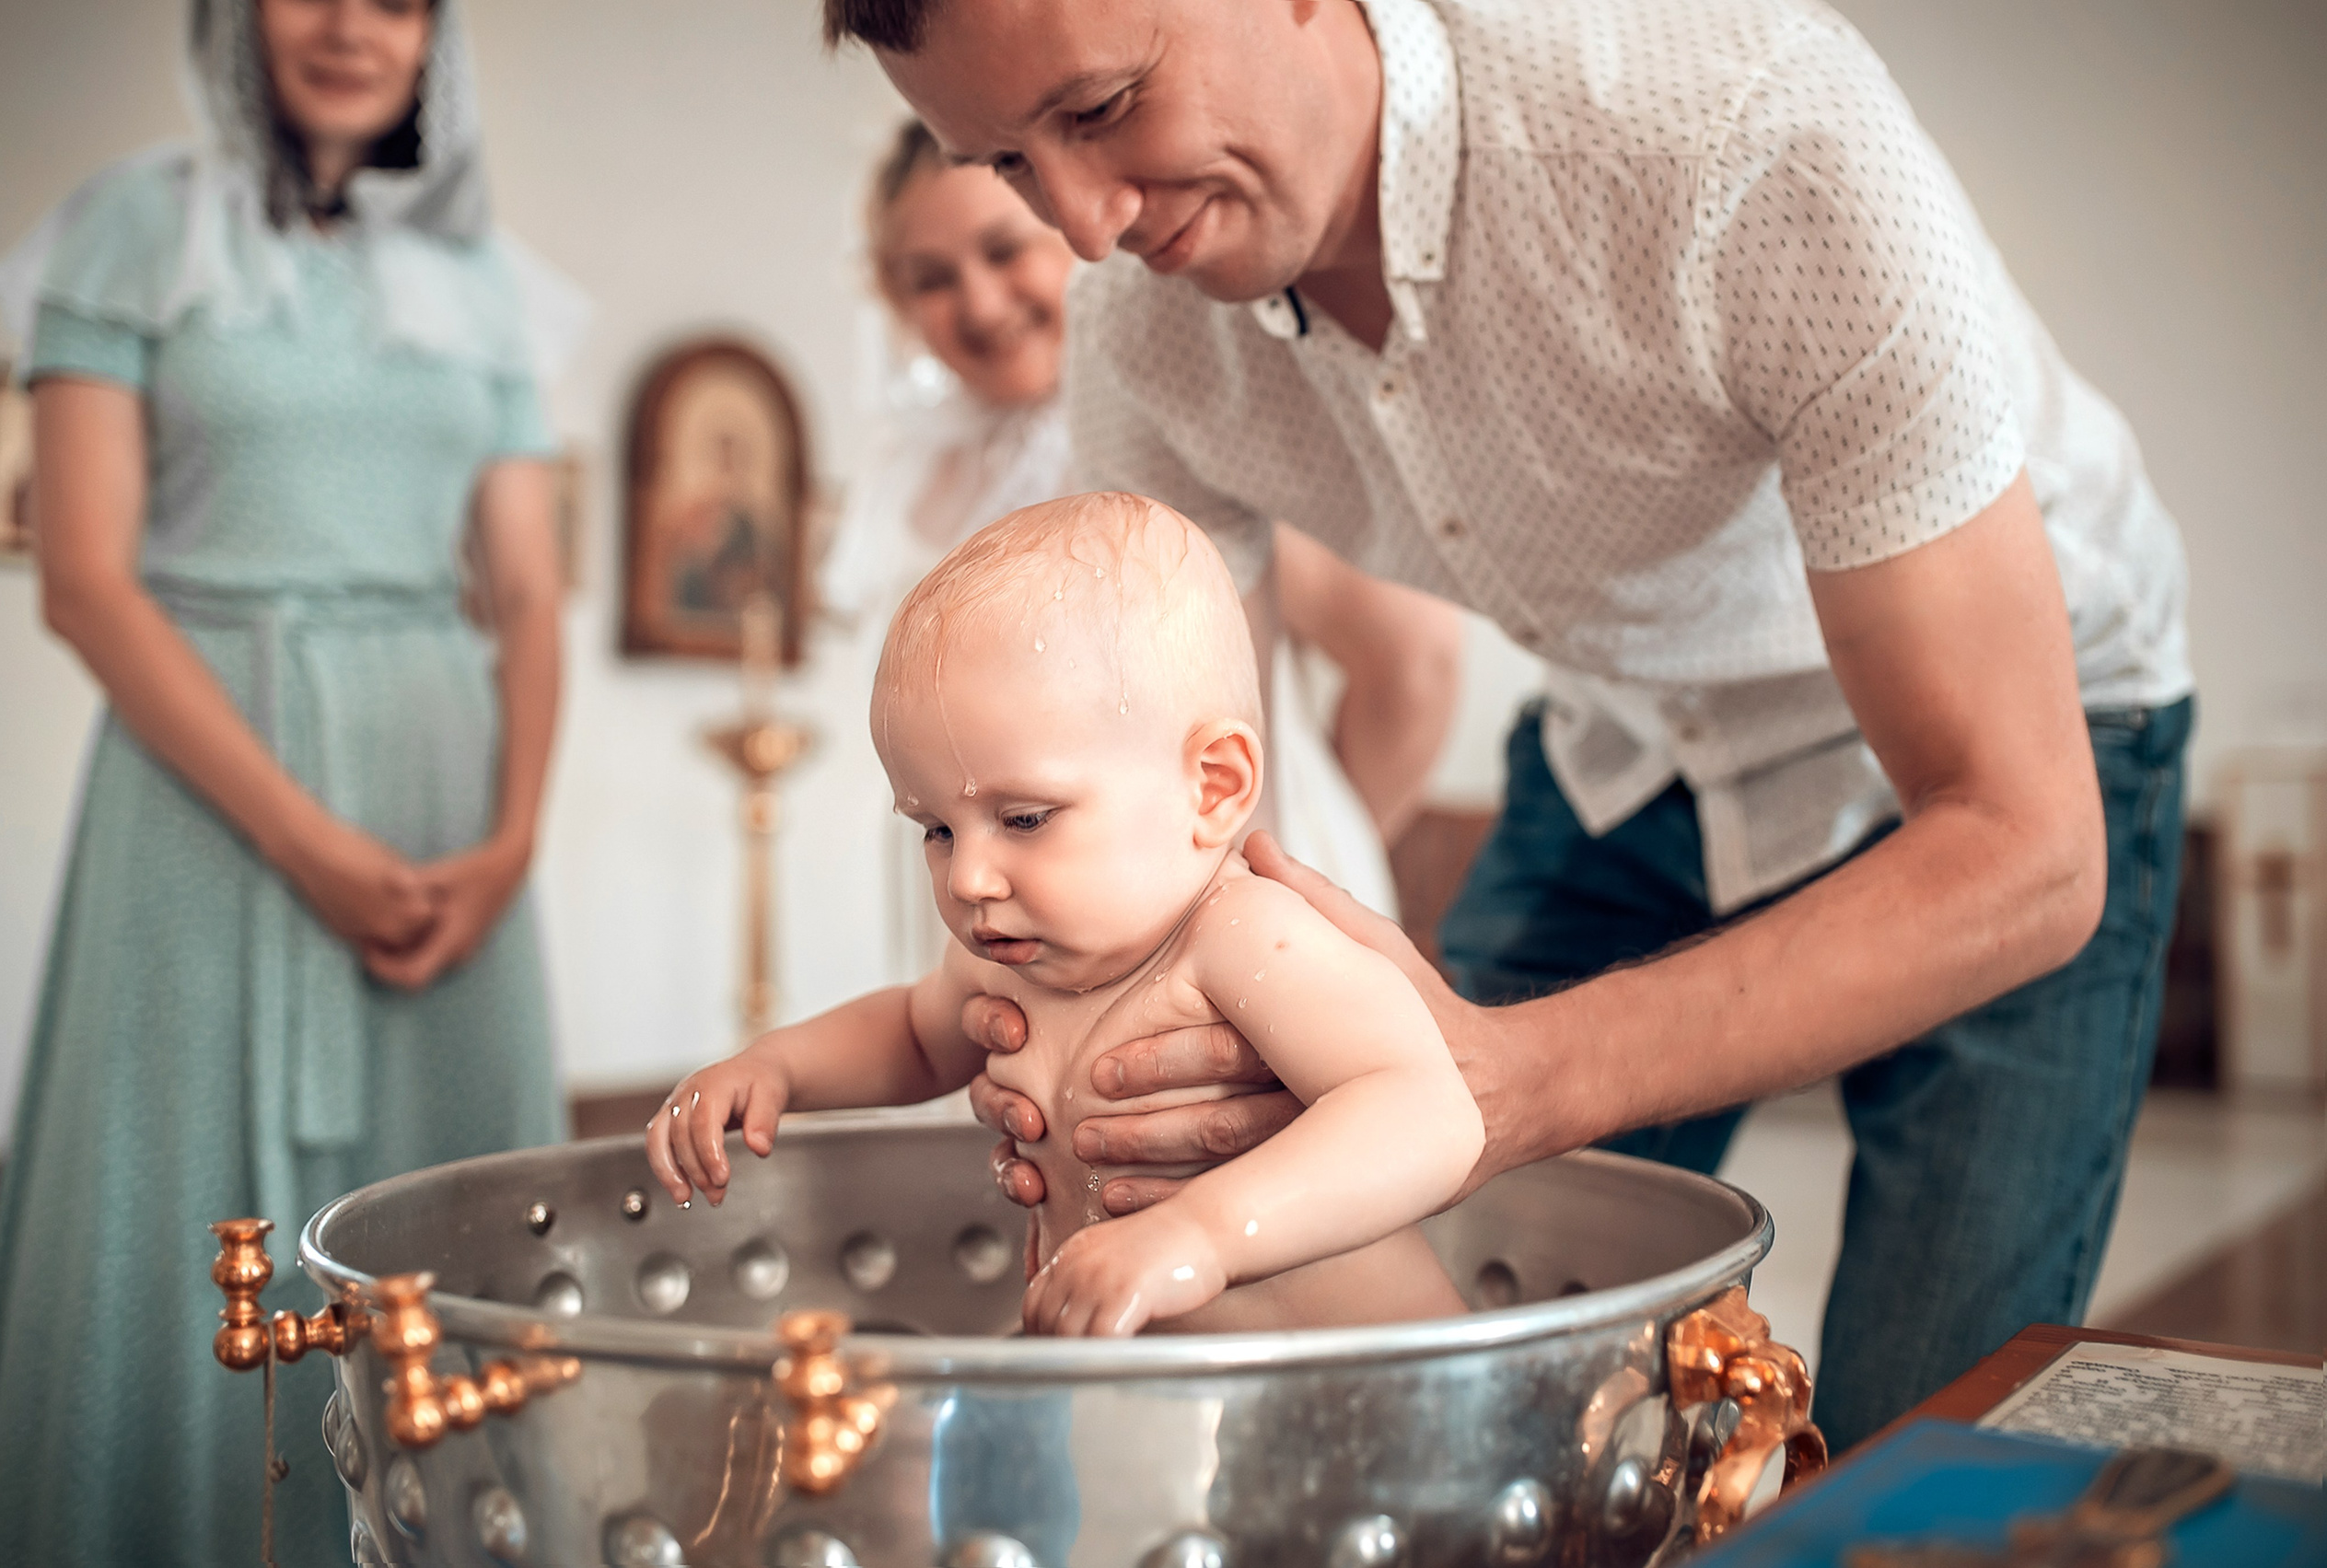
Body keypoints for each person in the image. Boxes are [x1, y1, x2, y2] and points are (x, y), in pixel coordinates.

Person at [831, 0, 2193, 1449]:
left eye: (1102, 108)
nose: (1087, 227)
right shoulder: (1142, 330)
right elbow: (1180, 827)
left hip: (2020, 757)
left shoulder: (1750, 127)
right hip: (1627, 735)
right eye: (1010, 167)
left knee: (1905, 1444)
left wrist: (1530, 1071)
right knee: (1471, 1369)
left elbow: (2027, 850)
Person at [0, 1, 571, 1560]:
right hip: (206, 803)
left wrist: (507, 843)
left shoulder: (483, 285)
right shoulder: (127, 228)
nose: (348, 25)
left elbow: (527, 590)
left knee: (445, 1200)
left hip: (445, 790)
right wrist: (306, 842)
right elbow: (86, 581)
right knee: (178, 1208)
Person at [652, 494, 1483, 1334]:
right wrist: (778, 1067)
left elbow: (1427, 1111)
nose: (970, 876)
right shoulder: (1007, 959)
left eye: (1024, 819)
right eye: (937, 828)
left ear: (1214, 786)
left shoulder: (1241, 937)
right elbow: (910, 1033)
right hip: (1158, 1411)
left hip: (1366, 1403)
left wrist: (1203, 1232)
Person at [822, 119, 1462, 982]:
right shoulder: (912, 473)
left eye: (1004, 251)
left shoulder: (1179, 423)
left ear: (1079, 236)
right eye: (931, 279)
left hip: (1213, 903)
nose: (977, 303)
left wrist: (1270, 863)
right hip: (985, 902)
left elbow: (1411, 666)